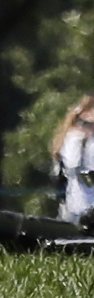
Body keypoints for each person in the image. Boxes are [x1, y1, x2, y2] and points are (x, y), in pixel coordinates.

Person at [52, 96, 94, 226]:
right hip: (78, 209)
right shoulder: (73, 140)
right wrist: (80, 139)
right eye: (83, 123)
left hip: (77, 208)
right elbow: (73, 165)